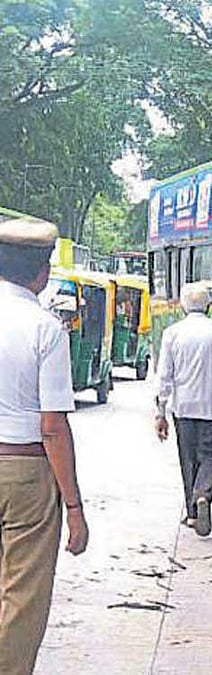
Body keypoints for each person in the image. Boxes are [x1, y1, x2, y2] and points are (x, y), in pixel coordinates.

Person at [0, 215, 89, 674]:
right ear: (42, 271)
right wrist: (73, 507)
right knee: (21, 597)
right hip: (25, 474)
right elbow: (52, 426)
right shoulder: (44, 328)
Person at [154, 282, 212, 537]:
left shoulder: (172, 333)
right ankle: (203, 495)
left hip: (183, 409)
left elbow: (164, 376)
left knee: (188, 460)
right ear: (209, 305)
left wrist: (160, 412)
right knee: (211, 457)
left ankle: (194, 513)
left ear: (183, 306)